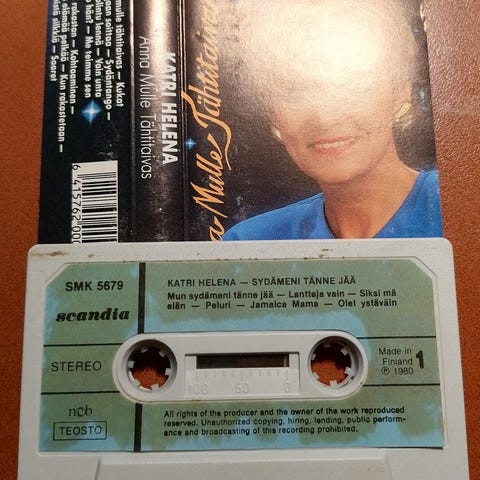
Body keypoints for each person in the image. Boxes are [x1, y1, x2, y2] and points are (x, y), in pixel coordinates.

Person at [222, 0, 442, 240]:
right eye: (293, 91)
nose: (324, 119)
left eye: (352, 84)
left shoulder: (459, 205)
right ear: (272, 113)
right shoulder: (250, 243)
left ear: (401, 90)